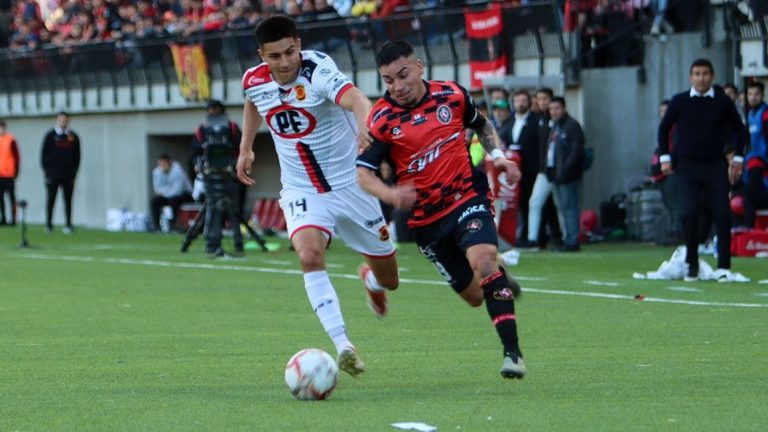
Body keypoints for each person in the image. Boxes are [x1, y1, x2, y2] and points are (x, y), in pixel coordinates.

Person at [236, 15, 400, 377]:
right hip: (301, 188)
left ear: (299, 44)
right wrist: (246, 147)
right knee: (309, 255)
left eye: (290, 52)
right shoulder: (254, 79)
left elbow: (357, 98)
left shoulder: (318, 70)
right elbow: (252, 102)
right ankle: (344, 345)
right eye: (274, 56)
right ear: (262, 55)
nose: (285, 62)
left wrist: (365, 130)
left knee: (390, 278)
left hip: (351, 187)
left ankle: (371, 281)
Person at [357, 40, 526, 379]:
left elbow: (482, 125)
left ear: (419, 67)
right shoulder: (381, 119)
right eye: (388, 80)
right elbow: (363, 174)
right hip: (427, 222)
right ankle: (496, 273)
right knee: (477, 296)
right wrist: (391, 195)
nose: (398, 87)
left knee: (483, 262)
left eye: (403, 75)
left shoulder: (452, 95)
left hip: (466, 197)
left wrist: (498, 157)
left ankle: (513, 355)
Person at [657, 58, 746, 282]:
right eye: (696, 74)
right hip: (687, 166)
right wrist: (665, 157)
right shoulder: (680, 101)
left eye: (705, 73)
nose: (701, 78)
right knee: (689, 213)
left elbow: (739, 129)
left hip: (715, 165)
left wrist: (737, 158)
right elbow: (664, 127)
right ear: (690, 77)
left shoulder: (722, 102)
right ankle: (691, 264)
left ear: (712, 76)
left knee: (723, 214)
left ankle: (724, 266)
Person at [191, 100, 244, 257]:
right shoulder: (202, 129)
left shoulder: (231, 127)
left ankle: (238, 241)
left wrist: (236, 164)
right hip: (211, 174)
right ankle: (211, 241)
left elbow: (241, 147)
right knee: (212, 208)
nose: (213, 112)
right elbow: (195, 151)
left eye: (216, 109)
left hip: (229, 174)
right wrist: (199, 164)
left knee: (233, 208)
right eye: (210, 109)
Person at [547, 96, 585, 252]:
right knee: (562, 208)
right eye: (551, 109)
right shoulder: (555, 127)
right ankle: (567, 238)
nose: (554, 112)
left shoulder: (571, 126)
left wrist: (566, 169)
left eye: (557, 108)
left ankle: (573, 241)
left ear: (564, 108)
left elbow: (576, 151)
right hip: (555, 175)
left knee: (569, 208)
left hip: (567, 176)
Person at [41, 111, 80, 234]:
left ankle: (68, 224)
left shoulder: (73, 137)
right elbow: (43, 155)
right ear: (57, 120)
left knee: (68, 200)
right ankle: (48, 224)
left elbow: (77, 157)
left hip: (68, 175)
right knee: (51, 199)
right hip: (53, 174)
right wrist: (48, 172)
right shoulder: (50, 136)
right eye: (61, 120)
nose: (63, 122)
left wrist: (74, 173)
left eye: (65, 120)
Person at [742, 81, 768, 228]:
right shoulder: (750, 114)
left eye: (756, 94)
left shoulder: (765, 114)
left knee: (750, 195)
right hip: (753, 161)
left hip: (760, 162)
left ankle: (748, 228)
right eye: (750, 94)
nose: (753, 98)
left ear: (763, 95)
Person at [150, 153, 193, 233]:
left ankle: (174, 225)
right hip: (169, 196)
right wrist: (166, 192)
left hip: (185, 194)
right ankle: (156, 226)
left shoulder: (177, 170)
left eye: (164, 163)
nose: (162, 166)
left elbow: (177, 190)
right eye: (160, 164)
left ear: (170, 162)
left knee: (173, 200)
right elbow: (157, 189)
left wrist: (164, 192)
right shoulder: (156, 172)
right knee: (155, 201)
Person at [0, 120, 20, 226]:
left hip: (9, 173)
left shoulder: (10, 140)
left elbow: (17, 156)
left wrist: (16, 171)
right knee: (1, 198)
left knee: (11, 197)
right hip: (0, 174)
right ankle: (3, 218)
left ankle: (13, 219)